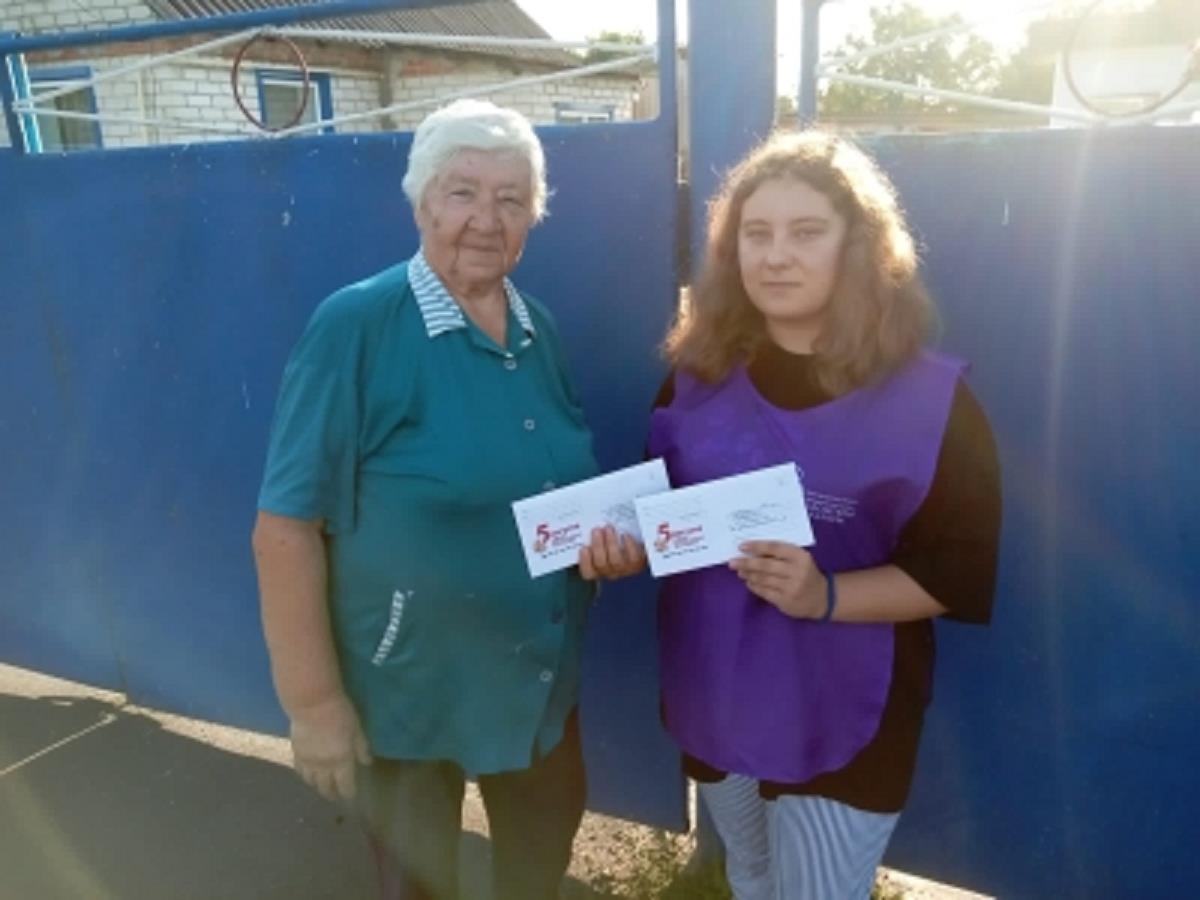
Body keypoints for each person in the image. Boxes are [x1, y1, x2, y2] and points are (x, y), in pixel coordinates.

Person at [251, 98, 643, 900]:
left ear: (532, 216)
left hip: (532, 679)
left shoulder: (537, 329)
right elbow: (285, 527)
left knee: (535, 873)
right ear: (422, 202)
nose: (485, 220)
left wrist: (604, 547)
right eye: (463, 192)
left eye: (511, 199)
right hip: (407, 688)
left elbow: (553, 486)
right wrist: (314, 704)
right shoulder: (357, 325)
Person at [647, 130, 1002, 899]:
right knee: (751, 875)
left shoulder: (933, 401)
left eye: (806, 232)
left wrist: (825, 595)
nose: (776, 256)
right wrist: (620, 543)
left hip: (845, 705)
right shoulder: (695, 377)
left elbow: (955, 571)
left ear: (858, 246)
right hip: (716, 682)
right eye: (756, 234)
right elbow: (664, 517)